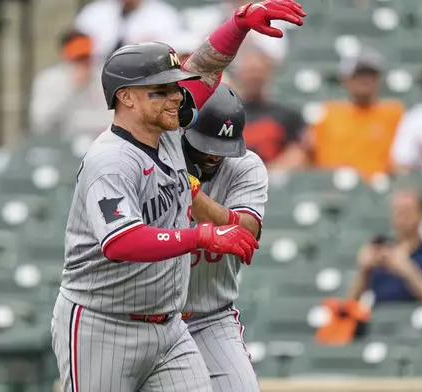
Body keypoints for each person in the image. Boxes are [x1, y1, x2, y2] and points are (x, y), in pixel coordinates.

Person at [51, 2, 307, 391]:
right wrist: (200, 235)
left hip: (168, 328)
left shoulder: (169, 127)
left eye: (175, 87)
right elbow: (121, 241)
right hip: (103, 324)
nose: (176, 96)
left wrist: (237, 26)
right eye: (162, 89)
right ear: (127, 98)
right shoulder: (111, 160)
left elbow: (204, 68)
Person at [181, 83, 267, 392]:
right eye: (206, 144)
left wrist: (191, 195)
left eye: (221, 146)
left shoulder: (245, 166)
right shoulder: (156, 158)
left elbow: (247, 231)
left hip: (210, 316)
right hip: (145, 317)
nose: (214, 154)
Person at [349, 189, 422, 313]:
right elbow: (350, 306)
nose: (401, 218)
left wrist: (407, 269)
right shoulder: (380, 253)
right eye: (397, 211)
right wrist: (363, 271)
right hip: (380, 325)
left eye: (407, 212)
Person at [306, 47, 404, 180]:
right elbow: (307, 151)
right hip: (334, 190)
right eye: (359, 74)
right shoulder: (327, 114)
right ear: (346, 79)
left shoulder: (395, 113)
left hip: (380, 188)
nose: (365, 80)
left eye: (371, 75)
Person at [231, 46, 307, 170]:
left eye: (258, 70)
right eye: (250, 71)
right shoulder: (226, 115)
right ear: (239, 74)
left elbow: (297, 154)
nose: (254, 76)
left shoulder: (288, 115)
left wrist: (265, 174)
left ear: (268, 73)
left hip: (272, 181)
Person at [29, 29, 109, 134]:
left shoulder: (102, 78)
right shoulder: (48, 80)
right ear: (63, 55)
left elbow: (111, 118)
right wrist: (72, 87)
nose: (83, 63)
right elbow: (41, 122)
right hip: (60, 144)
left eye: (87, 57)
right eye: (77, 58)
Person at [75, 0, 183, 63]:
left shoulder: (164, 15)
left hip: (145, 75)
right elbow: (75, 46)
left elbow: (173, 56)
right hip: (95, 74)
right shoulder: (94, 11)